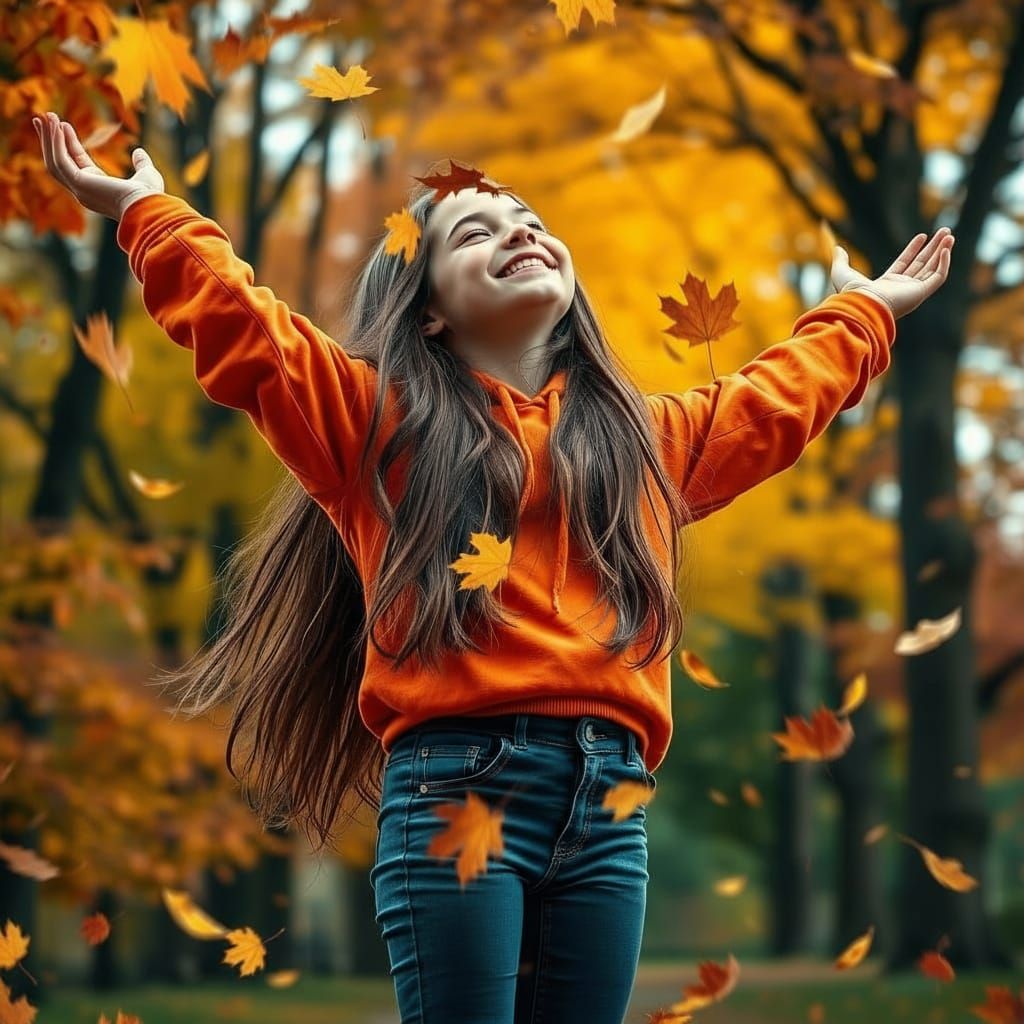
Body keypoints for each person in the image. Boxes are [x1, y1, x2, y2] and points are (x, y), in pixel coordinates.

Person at [33, 110, 953, 1023]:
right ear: (427, 304)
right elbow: (254, 334)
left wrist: (863, 311)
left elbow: (773, 401)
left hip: (610, 806)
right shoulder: (371, 426)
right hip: (455, 788)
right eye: (476, 231)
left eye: (533, 223)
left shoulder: (645, 443)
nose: (519, 230)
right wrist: (148, 215)